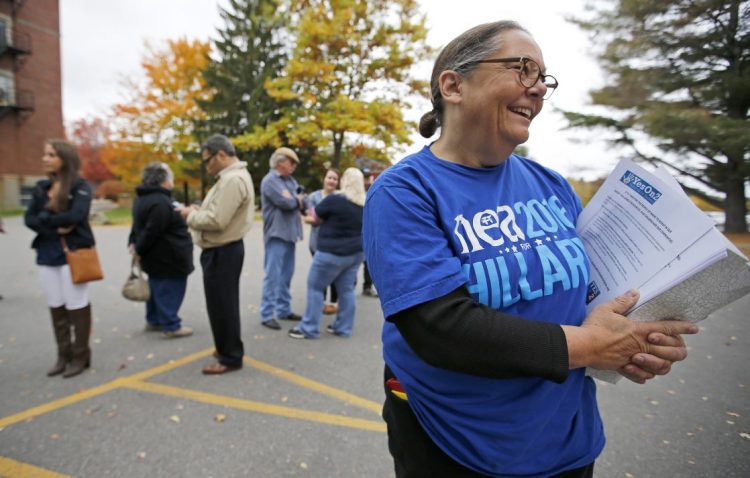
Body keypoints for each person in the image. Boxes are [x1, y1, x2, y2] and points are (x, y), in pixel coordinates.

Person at [362, 21, 699, 478]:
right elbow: (439, 327)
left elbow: (595, 296)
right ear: (453, 85)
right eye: (523, 69)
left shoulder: (552, 185)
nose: (538, 89)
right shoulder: (404, 191)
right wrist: (591, 346)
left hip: (567, 440)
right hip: (453, 442)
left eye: (543, 78)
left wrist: (637, 342)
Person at [177, 135, 254, 375]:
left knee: (222, 306)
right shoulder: (232, 178)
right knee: (222, 304)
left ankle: (230, 356)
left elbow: (217, 220)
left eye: (208, 160)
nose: (206, 165)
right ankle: (226, 347)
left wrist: (189, 215)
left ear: (221, 154)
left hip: (223, 250)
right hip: (223, 249)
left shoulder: (232, 179)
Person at [24, 139, 96, 378]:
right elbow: (29, 220)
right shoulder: (41, 187)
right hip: (47, 253)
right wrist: (55, 225)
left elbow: (77, 215)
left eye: (51, 154)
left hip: (73, 253)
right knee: (56, 305)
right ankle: (62, 355)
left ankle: (80, 355)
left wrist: (46, 220)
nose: (45, 158)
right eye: (45, 154)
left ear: (64, 159)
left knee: (76, 303)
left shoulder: (79, 185)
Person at [289, 167, 366, 339]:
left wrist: (302, 216)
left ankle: (309, 328)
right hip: (355, 254)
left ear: (344, 181)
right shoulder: (365, 203)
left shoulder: (335, 199)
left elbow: (315, 217)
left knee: (315, 287)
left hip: (331, 253)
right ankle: (343, 327)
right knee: (346, 291)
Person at [128, 162, 194, 338]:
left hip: (156, 257)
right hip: (168, 256)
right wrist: (139, 248)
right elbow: (152, 231)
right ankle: (171, 325)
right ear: (164, 180)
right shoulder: (160, 202)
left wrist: (134, 243)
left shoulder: (142, 198)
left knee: (156, 286)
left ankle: (154, 320)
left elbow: (137, 225)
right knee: (169, 289)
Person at [258, 147, 304, 330]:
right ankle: (266, 314)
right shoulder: (270, 181)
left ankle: (283, 309)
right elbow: (287, 203)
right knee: (273, 275)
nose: (293, 166)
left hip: (290, 234)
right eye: (291, 162)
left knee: (286, 275)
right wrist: (295, 199)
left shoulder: (290, 181)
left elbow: (302, 201)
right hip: (276, 234)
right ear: (280, 162)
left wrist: (295, 199)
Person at [305, 168, 340, 315]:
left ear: (338, 182)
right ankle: (320, 302)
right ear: (324, 179)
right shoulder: (314, 197)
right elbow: (310, 218)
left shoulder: (340, 197)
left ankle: (333, 303)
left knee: (335, 274)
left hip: (335, 244)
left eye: (334, 179)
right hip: (316, 243)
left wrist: (320, 218)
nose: (331, 181)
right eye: (329, 177)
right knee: (320, 274)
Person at [360, 168, 377, 298]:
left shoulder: (374, 189)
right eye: (364, 177)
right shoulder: (356, 190)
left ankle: (367, 286)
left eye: (368, 177)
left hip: (369, 230)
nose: (366, 180)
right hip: (355, 231)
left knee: (368, 262)